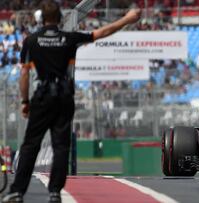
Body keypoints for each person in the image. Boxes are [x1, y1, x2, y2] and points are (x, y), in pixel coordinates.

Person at [2, 1, 141, 203]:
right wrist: (127, 19)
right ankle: (55, 192)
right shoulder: (69, 38)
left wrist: (25, 102)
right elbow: (101, 33)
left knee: (30, 145)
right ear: (59, 19)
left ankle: (17, 191)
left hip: (42, 97)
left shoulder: (31, 41)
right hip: (64, 96)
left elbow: (24, 74)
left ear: (41, 20)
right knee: (61, 146)